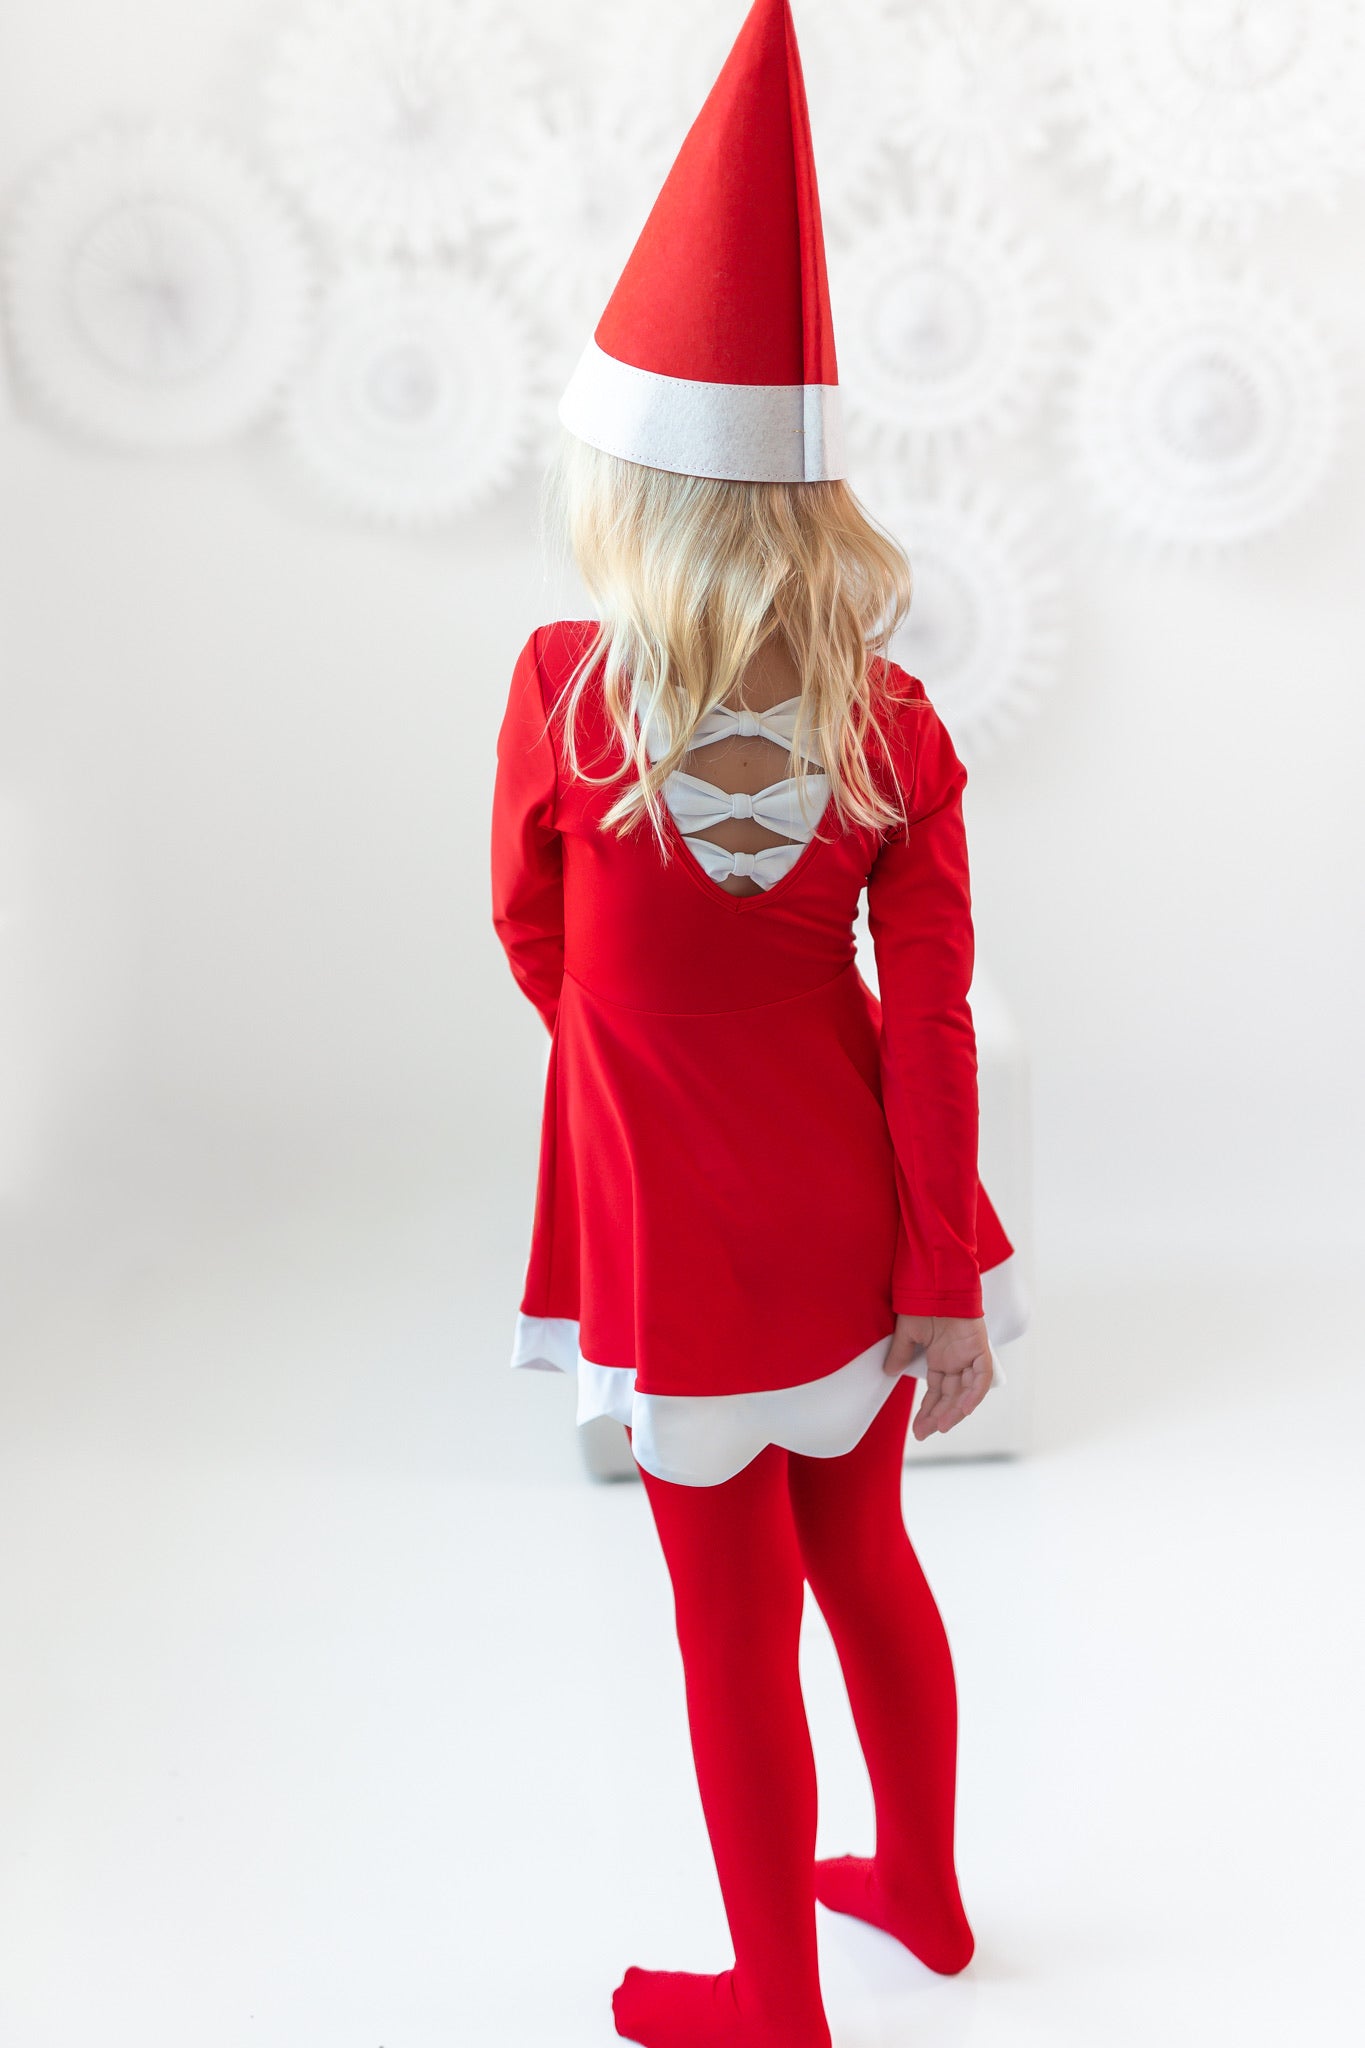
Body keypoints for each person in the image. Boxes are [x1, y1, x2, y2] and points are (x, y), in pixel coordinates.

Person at [490, 5, 1027, 2042]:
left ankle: (773, 1989)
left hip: (684, 1260)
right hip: (848, 1230)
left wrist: (630, 1054)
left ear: (624, 486)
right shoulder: (895, 723)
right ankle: (923, 1892)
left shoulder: (561, 693)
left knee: (729, 1627)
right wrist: (937, 1272)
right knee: (866, 1562)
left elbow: (529, 937)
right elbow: (930, 1019)